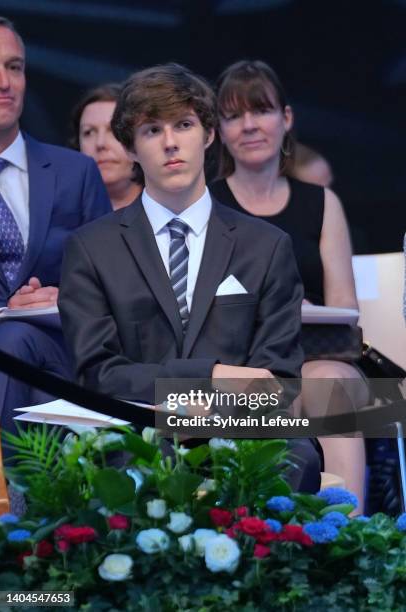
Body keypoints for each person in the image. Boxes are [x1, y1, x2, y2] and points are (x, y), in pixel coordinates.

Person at [58, 63, 322, 493]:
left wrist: (209, 412)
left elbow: (278, 381)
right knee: (118, 459)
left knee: (297, 452)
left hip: (239, 429)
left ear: (209, 133)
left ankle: (269, 562)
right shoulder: (90, 248)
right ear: (130, 147)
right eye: (150, 130)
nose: (170, 143)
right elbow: (98, 373)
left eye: (183, 124)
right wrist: (209, 376)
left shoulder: (267, 245)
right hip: (138, 428)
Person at [209, 60, 370, 510]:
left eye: (260, 110)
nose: (249, 126)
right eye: (234, 115)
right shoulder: (207, 204)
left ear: (287, 118)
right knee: (250, 388)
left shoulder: (321, 202)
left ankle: (350, 534)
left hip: (315, 354)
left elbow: (344, 308)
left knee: (330, 383)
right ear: (218, 130)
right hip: (236, 361)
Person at [0, 17, 111, 434]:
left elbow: (114, 284)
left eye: (14, 67)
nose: (4, 82)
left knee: (19, 346)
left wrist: (62, 296)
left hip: (62, 353)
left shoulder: (75, 172)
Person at [69, 84, 143, 210]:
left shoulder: (170, 210)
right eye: (89, 132)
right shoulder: (61, 218)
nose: (100, 143)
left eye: (113, 130)